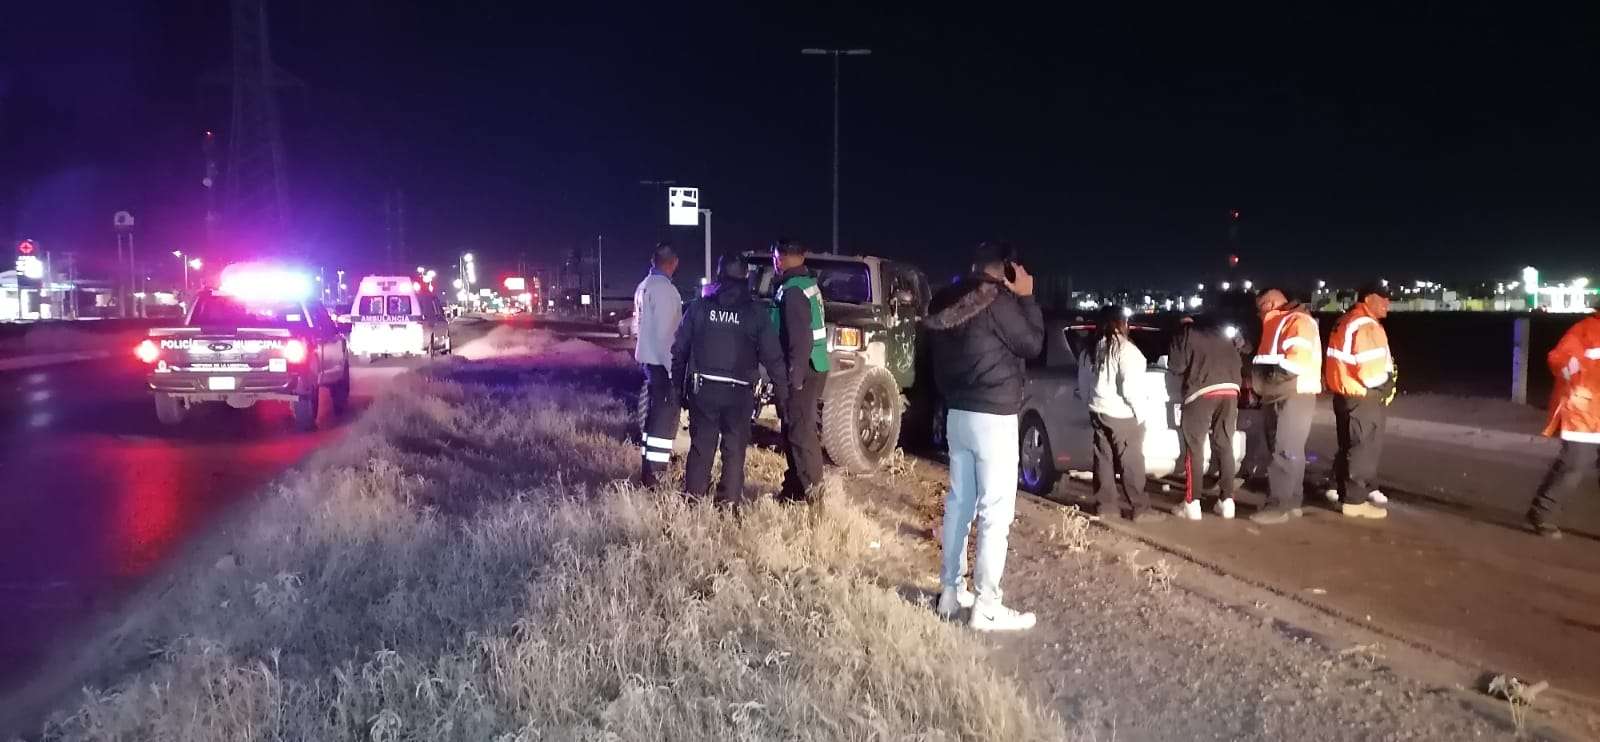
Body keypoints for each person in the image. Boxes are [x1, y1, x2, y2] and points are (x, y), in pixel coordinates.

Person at [924, 242, 1043, 631]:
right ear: (1004, 271)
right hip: (994, 417)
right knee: (995, 513)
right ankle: (987, 605)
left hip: (958, 414)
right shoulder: (997, 300)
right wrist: (1026, 298)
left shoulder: (946, 301)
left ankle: (949, 592)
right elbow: (1031, 344)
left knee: (960, 504)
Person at [670, 255, 790, 505]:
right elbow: (773, 356)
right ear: (746, 277)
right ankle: (728, 504)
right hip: (739, 394)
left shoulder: (700, 307)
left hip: (704, 390)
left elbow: (680, 348)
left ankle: (693, 502)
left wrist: (677, 387)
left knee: (702, 448)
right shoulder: (756, 312)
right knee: (734, 451)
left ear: (719, 274)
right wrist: (783, 393)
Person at [1079, 306, 1164, 523]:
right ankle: (1140, 509)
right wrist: (1141, 414)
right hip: (1123, 415)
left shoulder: (1093, 349)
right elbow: (1130, 388)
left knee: (1103, 460)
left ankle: (1106, 507)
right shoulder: (1127, 350)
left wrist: (1090, 403)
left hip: (1098, 411)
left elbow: (1083, 383)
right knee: (1131, 462)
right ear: (1120, 323)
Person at [1249, 288, 1323, 525]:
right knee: (1288, 450)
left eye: (1260, 308)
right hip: (1280, 393)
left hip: (1292, 392)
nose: (1258, 314)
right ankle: (1291, 502)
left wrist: (1267, 377)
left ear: (1270, 304)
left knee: (1284, 450)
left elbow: (1296, 361)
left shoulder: (1296, 321)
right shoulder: (1279, 323)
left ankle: (1278, 505)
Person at [1322, 283, 1396, 520]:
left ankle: (1341, 490)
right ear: (1368, 298)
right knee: (1363, 449)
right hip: (1362, 396)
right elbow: (1370, 372)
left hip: (1344, 394)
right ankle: (1355, 501)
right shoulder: (1366, 325)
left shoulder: (1345, 320)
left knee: (1348, 446)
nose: (1388, 304)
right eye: (1383, 298)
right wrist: (1385, 383)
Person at [1525, 309, 1600, 539]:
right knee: (1575, 464)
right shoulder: (1585, 329)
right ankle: (1542, 512)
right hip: (1583, 411)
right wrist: (1576, 376)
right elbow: (1558, 358)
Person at [770, 240, 830, 502]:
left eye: (775, 257)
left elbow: (799, 341)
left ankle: (813, 496)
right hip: (813, 366)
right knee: (796, 430)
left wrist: (793, 381)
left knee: (800, 431)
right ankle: (793, 491)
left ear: (779, 259)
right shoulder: (808, 283)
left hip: (802, 371)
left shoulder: (793, 291)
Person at [1167, 314, 1242, 521]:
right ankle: (1227, 502)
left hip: (1201, 391)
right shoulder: (1222, 335)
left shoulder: (1185, 333)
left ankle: (1192, 504)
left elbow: (1176, 366)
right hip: (1231, 390)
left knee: (1195, 447)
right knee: (1225, 444)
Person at [632, 243, 683, 487]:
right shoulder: (666, 291)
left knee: (653, 421)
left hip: (649, 363)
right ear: (673, 263)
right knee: (663, 425)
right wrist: (675, 371)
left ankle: (649, 473)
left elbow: (636, 327)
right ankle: (655, 477)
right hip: (663, 366)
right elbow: (668, 336)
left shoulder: (644, 287)